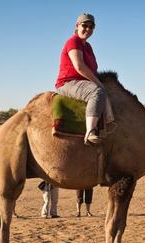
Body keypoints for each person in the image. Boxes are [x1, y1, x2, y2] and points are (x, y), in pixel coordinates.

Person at [54, 13, 106, 145]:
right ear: (77, 26)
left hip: (82, 82)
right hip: (68, 82)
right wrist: (99, 84)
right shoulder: (73, 41)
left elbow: (92, 70)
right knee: (97, 92)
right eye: (85, 25)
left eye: (91, 26)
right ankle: (90, 132)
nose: (88, 29)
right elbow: (80, 67)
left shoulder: (88, 47)